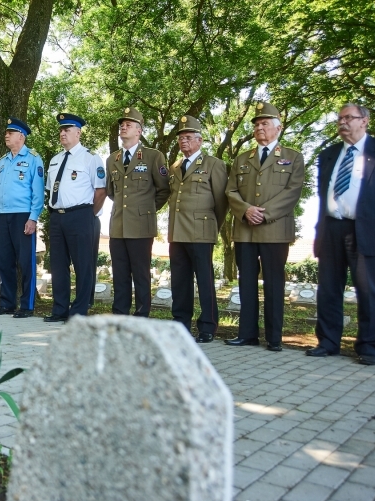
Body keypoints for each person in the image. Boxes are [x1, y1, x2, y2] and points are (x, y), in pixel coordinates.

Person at [307, 103, 375, 365]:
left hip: (367, 229)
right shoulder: (328, 154)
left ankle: (369, 348)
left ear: (365, 121)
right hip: (331, 228)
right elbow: (322, 192)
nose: (343, 122)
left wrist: (373, 214)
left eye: (349, 118)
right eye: (340, 118)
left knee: (369, 290)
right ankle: (327, 342)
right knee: (328, 288)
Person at [225, 101, 305, 352]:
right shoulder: (242, 158)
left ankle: (274, 337)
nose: (259, 128)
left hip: (275, 230)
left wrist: (264, 213)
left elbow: (293, 192)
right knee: (246, 283)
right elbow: (230, 190)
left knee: (274, 284)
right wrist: (246, 210)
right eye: (257, 124)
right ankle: (247, 334)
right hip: (245, 230)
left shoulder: (293, 157)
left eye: (265, 124)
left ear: (278, 128)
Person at [166, 115, 228, 342]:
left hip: (201, 231)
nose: (184, 142)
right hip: (177, 232)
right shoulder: (174, 166)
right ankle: (181, 323)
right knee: (180, 282)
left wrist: (212, 226)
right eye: (181, 138)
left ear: (200, 141)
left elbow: (222, 202)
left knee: (204, 281)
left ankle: (207, 327)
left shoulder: (214, 164)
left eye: (189, 138)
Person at [106, 106, 171, 317]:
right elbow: (111, 191)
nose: (123, 127)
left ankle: (142, 315)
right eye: (121, 125)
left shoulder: (153, 156)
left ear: (139, 130)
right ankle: (120, 314)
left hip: (141, 226)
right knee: (120, 273)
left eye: (128, 125)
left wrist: (147, 211)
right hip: (118, 226)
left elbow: (163, 190)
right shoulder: (112, 159)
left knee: (141, 274)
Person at [44, 113, 107, 322]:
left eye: (67, 130)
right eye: (61, 130)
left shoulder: (90, 158)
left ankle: (79, 311)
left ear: (78, 133)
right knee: (58, 265)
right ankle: (59, 309)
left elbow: (100, 191)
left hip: (81, 215)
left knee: (83, 265)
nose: (63, 133)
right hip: (57, 217)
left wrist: (89, 215)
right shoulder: (55, 160)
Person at [0, 117, 45, 318]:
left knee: (26, 262)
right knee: (3, 262)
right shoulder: (2, 161)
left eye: (10, 133)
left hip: (23, 215)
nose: (6, 135)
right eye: (6, 132)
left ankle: (27, 306)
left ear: (21, 136)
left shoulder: (33, 158)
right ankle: (7, 303)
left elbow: (38, 191)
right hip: (3, 216)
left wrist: (33, 217)